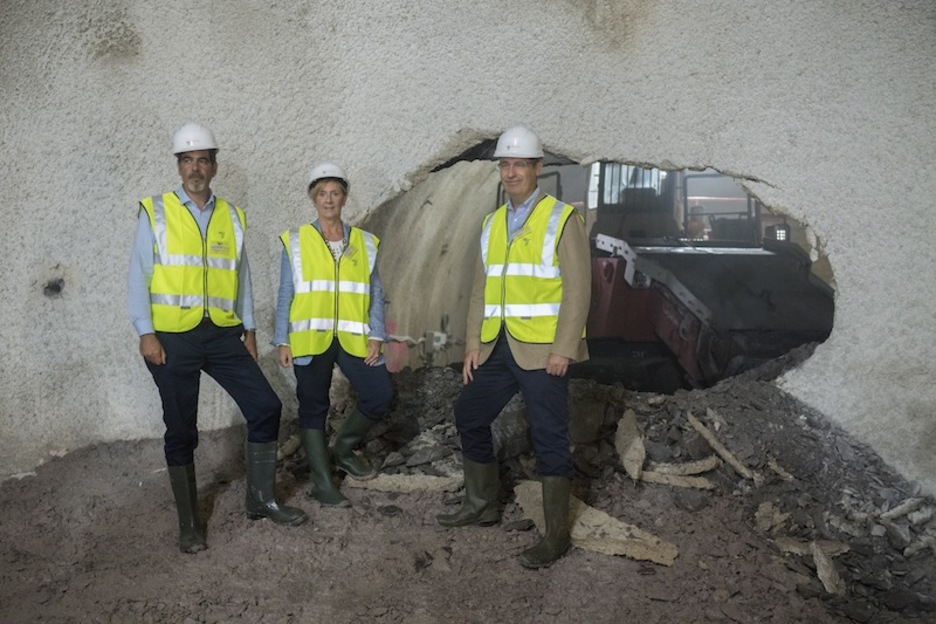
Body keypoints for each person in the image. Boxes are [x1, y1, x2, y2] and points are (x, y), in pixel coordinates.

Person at [127, 122, 307, 553]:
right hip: (173, 337)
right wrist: (145, 332)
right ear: (178, 166)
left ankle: (260, 499)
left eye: (202, 160)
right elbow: (139, 274)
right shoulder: (156, 211)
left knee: (266, 406)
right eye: (187, 160)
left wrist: (249, 327)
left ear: (214, 166)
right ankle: (190, 524)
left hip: (224, 333)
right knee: (181, 430)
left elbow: (239, 277)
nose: (195, 168)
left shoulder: (232, 216)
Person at [436, 125, 591, 569]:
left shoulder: (562, 218)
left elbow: (579, 291)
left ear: (537, 168)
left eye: (518, 164)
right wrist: (473, 344)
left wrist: (564, 348)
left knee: (549, 437)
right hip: (499, 346)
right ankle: (482, 504)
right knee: (469, 414)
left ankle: (556, 535)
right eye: (504, 165)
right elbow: (481, 289)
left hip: (543, 350)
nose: (510, 172)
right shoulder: (493, 223)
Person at [274, 162, 393, 507]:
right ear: (314, 199)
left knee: (379, 393)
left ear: (344, 198)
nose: (329, 200)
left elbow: (374, 293)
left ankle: (341, 448)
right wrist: (283, 339)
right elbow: (286, 293)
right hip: (310, 339)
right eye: (322, 193)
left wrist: (377, 335)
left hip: (355, 338)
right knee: (313, 407)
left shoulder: (365, 243)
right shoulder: (296, 241)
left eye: (335, 193)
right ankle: (323, 482)